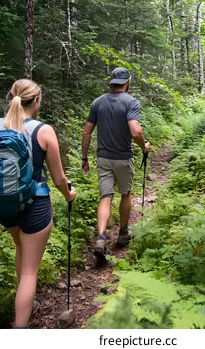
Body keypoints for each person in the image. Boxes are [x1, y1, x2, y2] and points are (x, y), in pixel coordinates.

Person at [0, 78, 76, 328]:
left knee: (20, 248)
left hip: (3, 206)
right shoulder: (43, 131)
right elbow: (59, 177)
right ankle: (20, 329)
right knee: (30, 270)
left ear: (11, 97)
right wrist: (68, 195)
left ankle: (25, 301)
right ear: (36, 100)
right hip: (34, 205)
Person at [81, 67, 150, 262]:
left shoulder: (98, 102)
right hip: (123, 157)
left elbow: (86, 133)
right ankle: (123, 233)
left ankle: (101, 238)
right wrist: (144, 146)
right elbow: (135, 131)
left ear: (111, 82)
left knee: (106, 196)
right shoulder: (131, 102)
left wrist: (84, 158)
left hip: (103, 158)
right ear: (127, 82)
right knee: (125, 193)